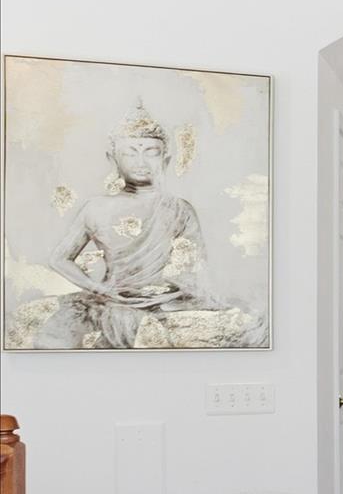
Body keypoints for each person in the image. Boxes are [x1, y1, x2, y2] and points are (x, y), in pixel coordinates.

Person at [36, 102, 264, 349]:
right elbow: (59, 258)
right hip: (114, 299)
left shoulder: (179, 208)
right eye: (130, 152)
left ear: (165, 159)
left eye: (151, 152)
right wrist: (100, 289)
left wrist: (174, 293)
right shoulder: (96, 207)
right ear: (112, 158)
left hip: (169, 301)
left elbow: (194, 269)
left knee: (249, 324)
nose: (140, 161)